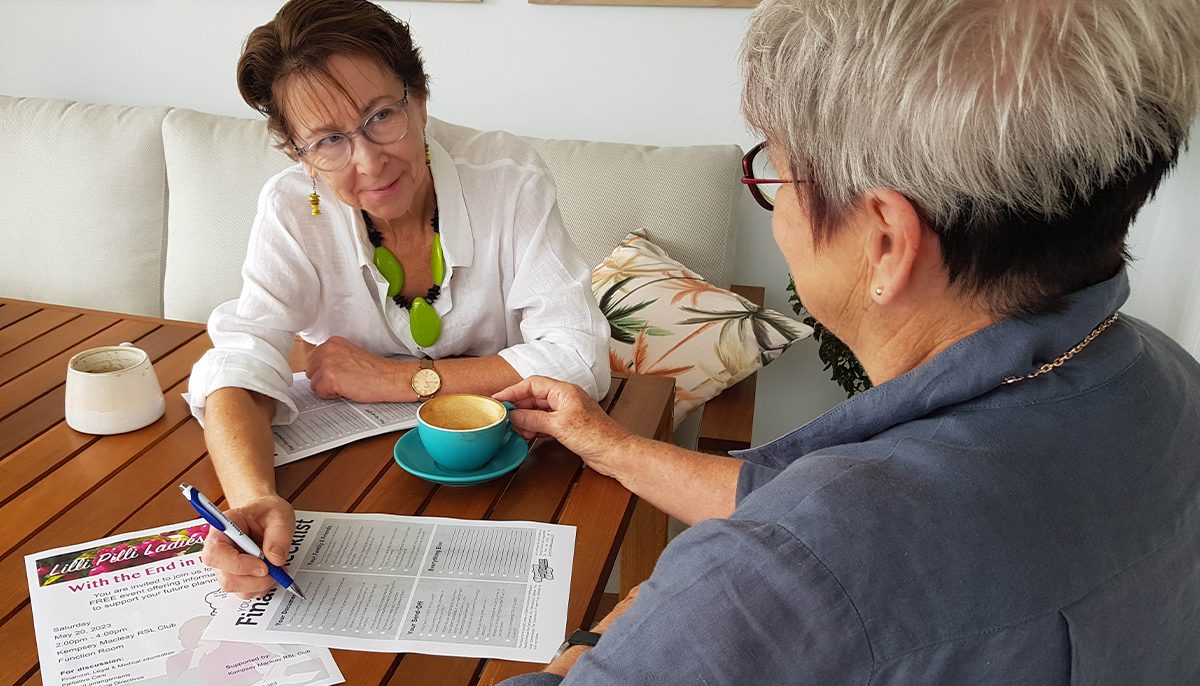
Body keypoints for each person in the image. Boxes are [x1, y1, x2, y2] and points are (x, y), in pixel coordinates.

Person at [495, 0, 1200, 683]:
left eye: (778, 170)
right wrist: (611, 444)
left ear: (886, 242)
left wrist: (595, 642)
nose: (776, 208)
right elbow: (815, 514)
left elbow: (818, 550)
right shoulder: (1170, 382)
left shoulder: (762, 585)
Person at [191, 0, 610, 597]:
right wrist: (253, 497)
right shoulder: (290, 206)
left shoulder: (507, 175)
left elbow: (580, 359)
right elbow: (240, 358)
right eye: (328, 140)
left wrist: (396, 379)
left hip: (509, 472)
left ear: (420, 95)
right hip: (362, 483)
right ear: (297, 153)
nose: (367, 161)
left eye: (382, 115)